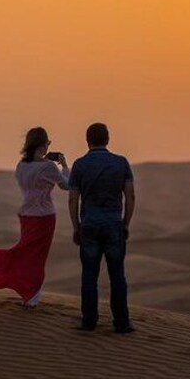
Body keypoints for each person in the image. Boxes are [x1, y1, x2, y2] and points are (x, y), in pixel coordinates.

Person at [0, 127, 70, 307]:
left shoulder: (21, 166)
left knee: (25, 253)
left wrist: (43, 160)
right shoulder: (48, 167)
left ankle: (29, 294)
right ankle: (28, 294)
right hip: (44, 217)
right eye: (47, 144)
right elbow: (66, 185)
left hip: (26, 217)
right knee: (36, 259)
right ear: (44, 145)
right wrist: (64, 166)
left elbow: (33, 179)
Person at [68, 123, 136, 333]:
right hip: (113, 224)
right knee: (117, 275)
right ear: (107, 139)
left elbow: (72, 199)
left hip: (89, 225)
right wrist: (125, 223)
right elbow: (130, 195)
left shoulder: (79, 165)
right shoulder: (121, 163)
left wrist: (76, 227)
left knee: (89, 275)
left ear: (87, 140)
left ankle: (89, 321)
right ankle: (122, 323)